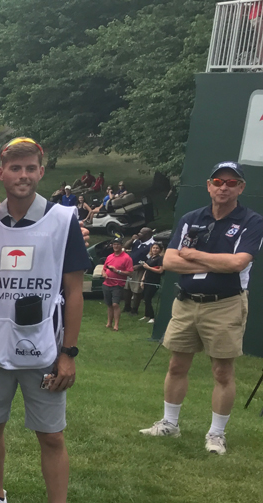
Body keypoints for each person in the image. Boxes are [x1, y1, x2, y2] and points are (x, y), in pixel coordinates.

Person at [0, 137, 87, 503]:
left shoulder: (63, 220)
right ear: (1, 173)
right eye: (15, 168)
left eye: (30, 167)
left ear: (41, 170)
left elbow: (74, 293)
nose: (23, 175)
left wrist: (68, 353)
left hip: (43, 348)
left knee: (51, 435)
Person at [140, 162, 262, 455]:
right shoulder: (191, 218)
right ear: (209, 185)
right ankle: (169, 424)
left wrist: (194, 254)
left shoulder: (251, 221)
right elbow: (169, 262)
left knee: (222, 371)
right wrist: (215, 260)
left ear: (241, 188)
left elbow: (237, 263)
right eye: (218, 181)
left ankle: (216, 434)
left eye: (231, 183)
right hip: (186, 301)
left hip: (225, 304)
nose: (224, 187)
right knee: (176, 365)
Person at [102, 239, 132, 330]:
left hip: (118, 284)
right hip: (107, 283)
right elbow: (104, 268)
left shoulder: (127, 258)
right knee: (109, 304)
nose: (115, 246)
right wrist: (104, 273)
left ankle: (116, 325)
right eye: (114, 244)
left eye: (117, 244)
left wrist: (117, 271)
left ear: (121, 245)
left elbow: (130, 272)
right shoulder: (109, 256)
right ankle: (109, 323)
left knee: (115, 304)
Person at [138, 243, 164, 323]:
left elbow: (160, 270)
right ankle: (146, 315)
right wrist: (142, 280)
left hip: (154, 281)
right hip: (147, 280)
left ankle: (152, 317)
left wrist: (149, 267)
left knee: (148, 298)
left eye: (157, 248)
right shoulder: (150, 258)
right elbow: (146, 270)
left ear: (160, 250)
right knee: (145, 298)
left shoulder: (160, 259)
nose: (155, 249)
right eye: (153, 248)